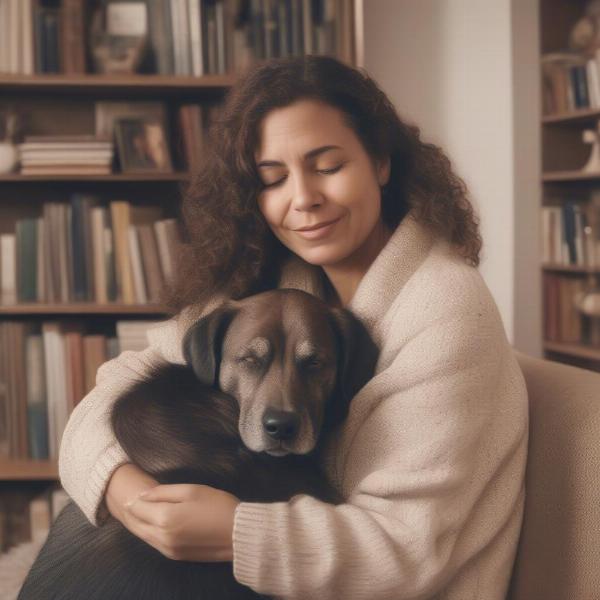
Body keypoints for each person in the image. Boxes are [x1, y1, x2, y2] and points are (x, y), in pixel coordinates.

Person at [59, 55, 528, 599]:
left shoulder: (446, 311)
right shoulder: (278, 282)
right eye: (273, 179)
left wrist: (233, 531)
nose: (303, 199)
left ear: (380, 161)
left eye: (327, 166)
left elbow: (406, 553)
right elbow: (110, 391)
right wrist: (126, 493)